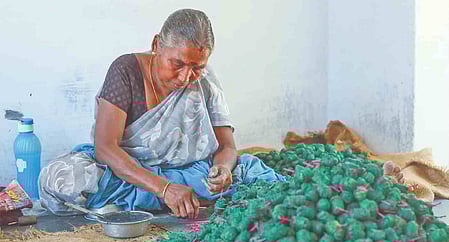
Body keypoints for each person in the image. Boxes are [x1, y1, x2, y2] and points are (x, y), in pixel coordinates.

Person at [38, 9, 285, 218]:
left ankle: (147, 201)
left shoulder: (206, 81)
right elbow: (105, 148)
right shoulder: (126, 72)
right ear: (156, 44)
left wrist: (222, 170)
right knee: (61, 178)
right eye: (177, 64)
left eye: (197, 68)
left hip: (192, 171)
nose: (185, 77)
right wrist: (164, 188)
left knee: (254, 172)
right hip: (130, 171)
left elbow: (227, 147)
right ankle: (174, 197)